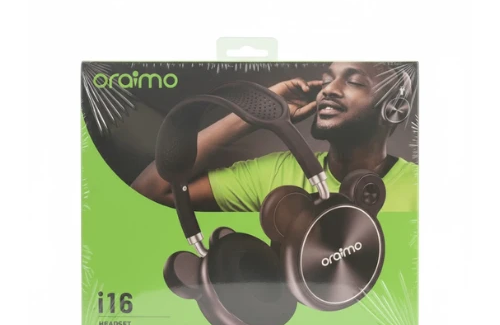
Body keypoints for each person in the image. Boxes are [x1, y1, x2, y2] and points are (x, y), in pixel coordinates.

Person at [131, 62, 418, 213]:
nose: (328, 89)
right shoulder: (274, 174)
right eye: (327, 80)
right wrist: (256, 112)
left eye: (354, 82)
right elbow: (150, 190)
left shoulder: (422, 190)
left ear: (394, 109)